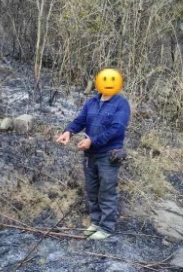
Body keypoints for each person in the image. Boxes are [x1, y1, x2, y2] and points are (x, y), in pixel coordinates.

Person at [56, 68, 130, 240]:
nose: (108, 83)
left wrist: (92, 141)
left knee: (106, 191)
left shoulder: (121, 104)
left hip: (109, 156)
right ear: (97, 82)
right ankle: (95, 223)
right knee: (92, 190)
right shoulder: (91, 102)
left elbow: (117, 128)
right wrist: (68, 132)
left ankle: (106, 227)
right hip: (90, 155)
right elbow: (80, 120)